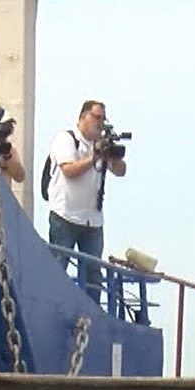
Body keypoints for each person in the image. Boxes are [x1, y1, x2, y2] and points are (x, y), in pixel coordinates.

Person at [46, 99, 128, 303]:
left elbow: (121, 171)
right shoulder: (66, 139)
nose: (100, 123)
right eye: (96, 118)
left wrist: (110, 154)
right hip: (65, 215)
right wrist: (94, 157)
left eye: (103, 119)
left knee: (93, 275)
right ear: (83, 117)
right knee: (58, 268)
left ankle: (91, 313)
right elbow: (69, 170)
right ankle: (54, 305)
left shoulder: (100, 145)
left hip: (92, 220)